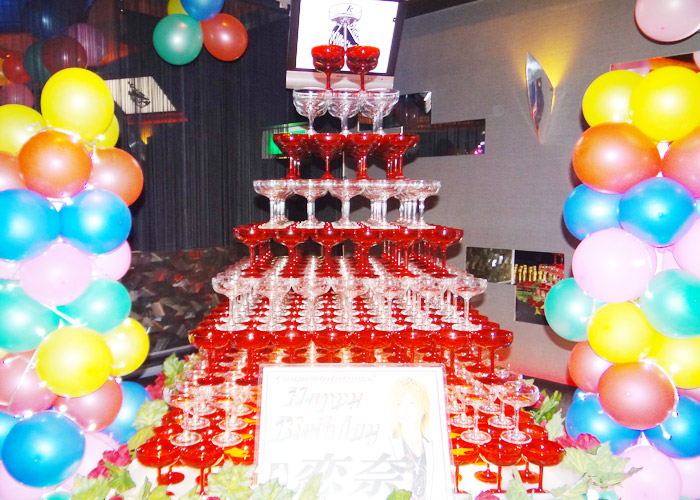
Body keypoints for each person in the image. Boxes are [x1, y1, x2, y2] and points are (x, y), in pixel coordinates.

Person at [387, 377, 434, 500]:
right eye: (399, 404)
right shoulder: (388, 446)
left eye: (411, 403)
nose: (404, 409)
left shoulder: (433, 446)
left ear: (424, 407)